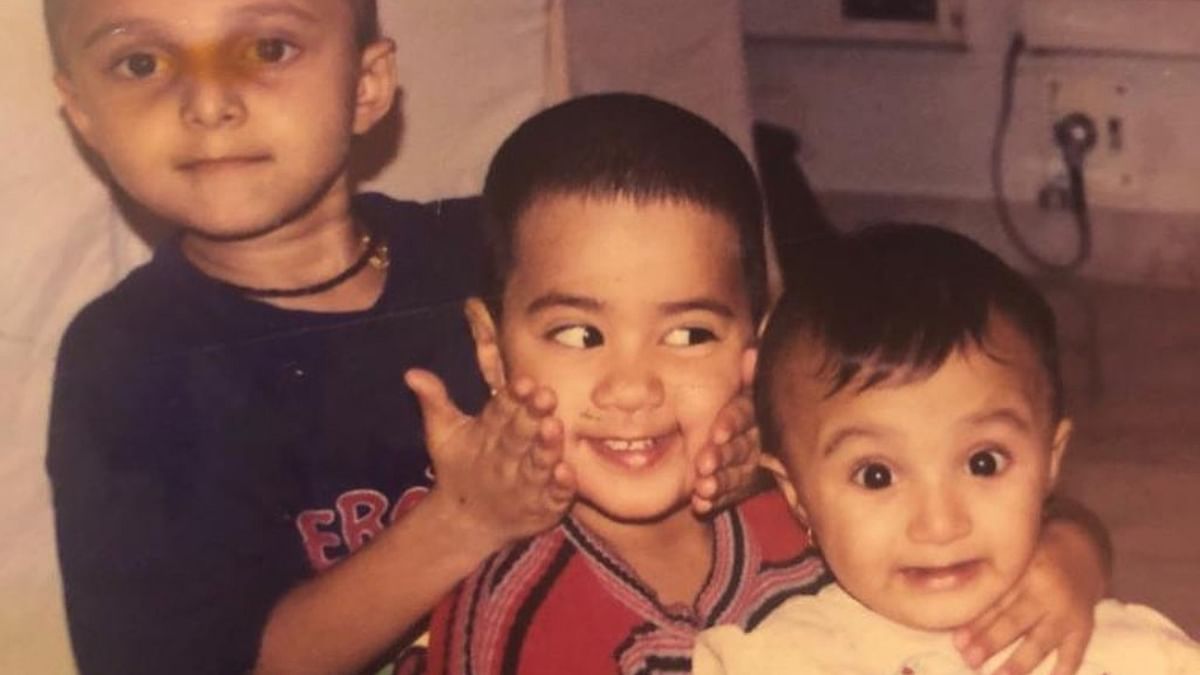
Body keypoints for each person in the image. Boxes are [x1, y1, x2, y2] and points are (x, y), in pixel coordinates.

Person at [42, 2, 756, 674]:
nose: (207, 104)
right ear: (80, 112)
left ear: (368, 84)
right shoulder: (128, 366)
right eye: (140, 64)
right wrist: (461, 522)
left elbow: (695, 350)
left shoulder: (508, 250)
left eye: (268, 48)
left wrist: (742, 444)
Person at [422, 92, 829, 675]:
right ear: (493, 351)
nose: (633, 389)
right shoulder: (514, 612)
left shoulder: (819, 522)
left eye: (689, 335)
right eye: (580, 336)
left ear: (756, 350)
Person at [694, 224, 1200, 675]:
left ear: (1051, 460)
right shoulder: (769, 661)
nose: (939, 524)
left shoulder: (1141, 656)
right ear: (797, 493)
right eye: (876, 475)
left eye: (983, 463)